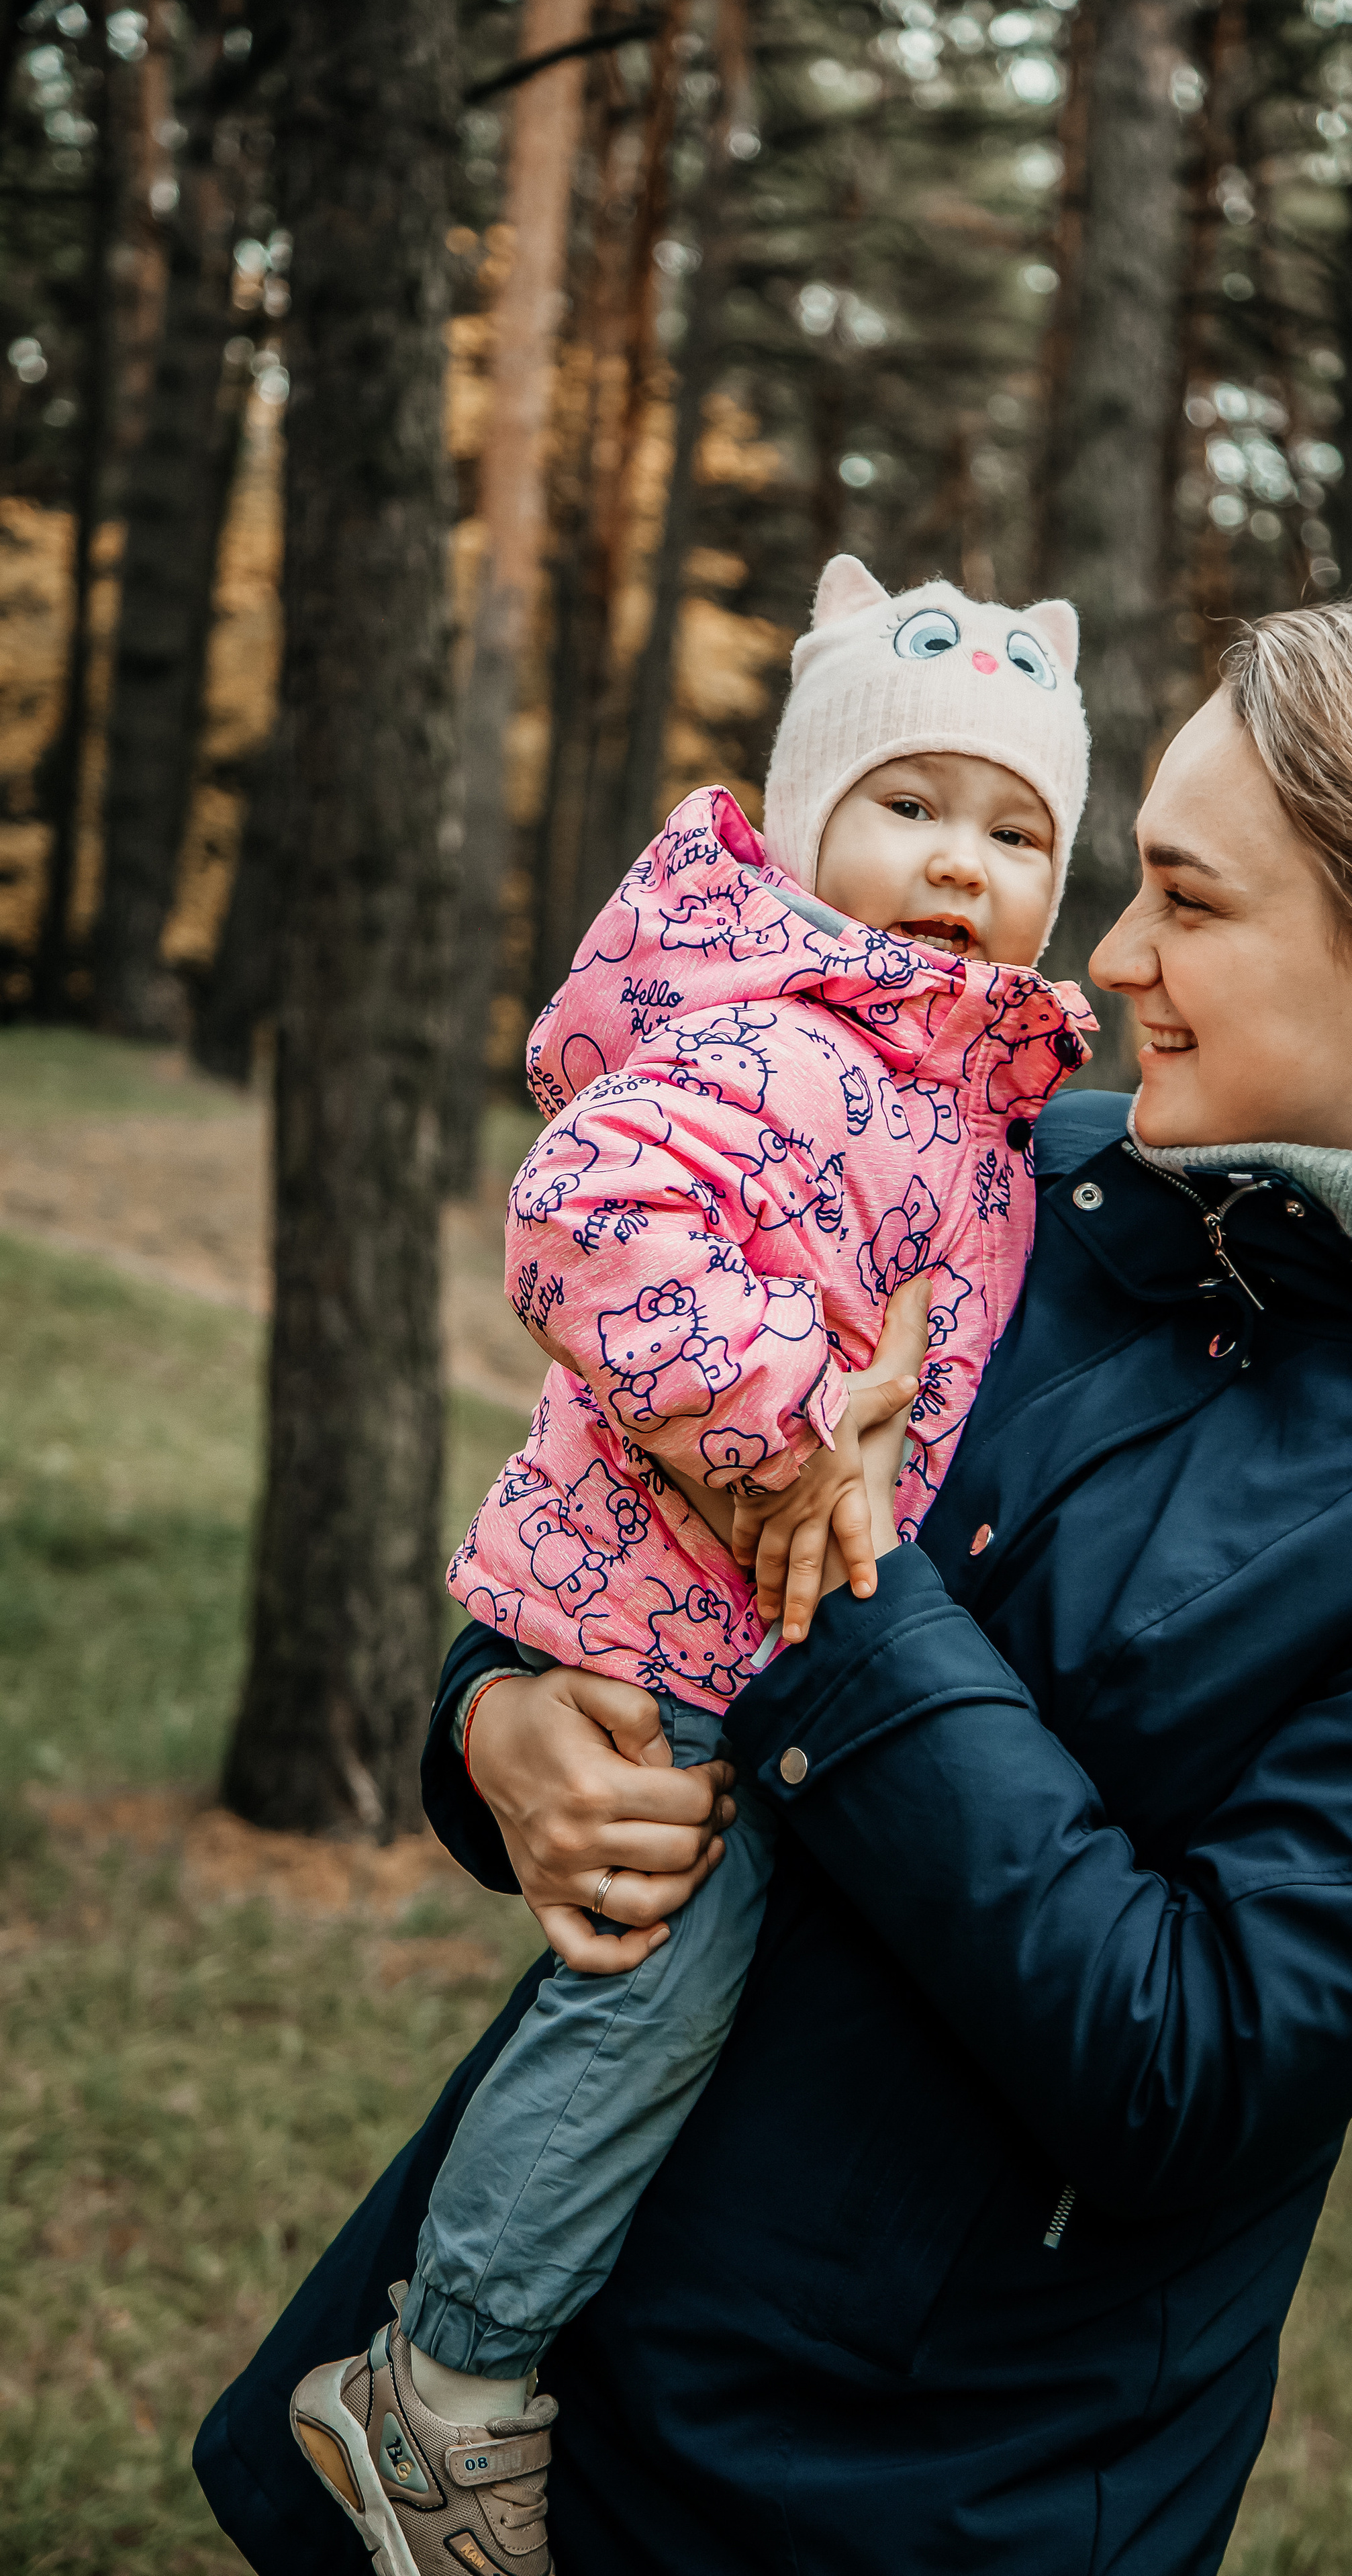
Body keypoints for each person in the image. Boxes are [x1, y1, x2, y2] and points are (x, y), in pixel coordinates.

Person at [198, 592, 1352, 2576]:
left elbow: (1184, 2068)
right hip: (521, 2360)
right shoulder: (1040, 1182)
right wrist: (492, 1715)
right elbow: (651, 1498)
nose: (1111, 956)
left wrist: (847, 1570)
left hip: (895, 2490)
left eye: (1187, 900)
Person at [285, 553, 1094, 2576]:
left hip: (758, 1641)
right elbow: (582, 1211)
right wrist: (779, 1429)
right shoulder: (788, 1046)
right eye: (906, 805)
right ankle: (443, 2381)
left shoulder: (964, 1101)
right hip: (683, 1627)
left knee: (667, 1999)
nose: (958, 865)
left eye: (1016, 834)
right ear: (805, 819)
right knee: (646, 1997)